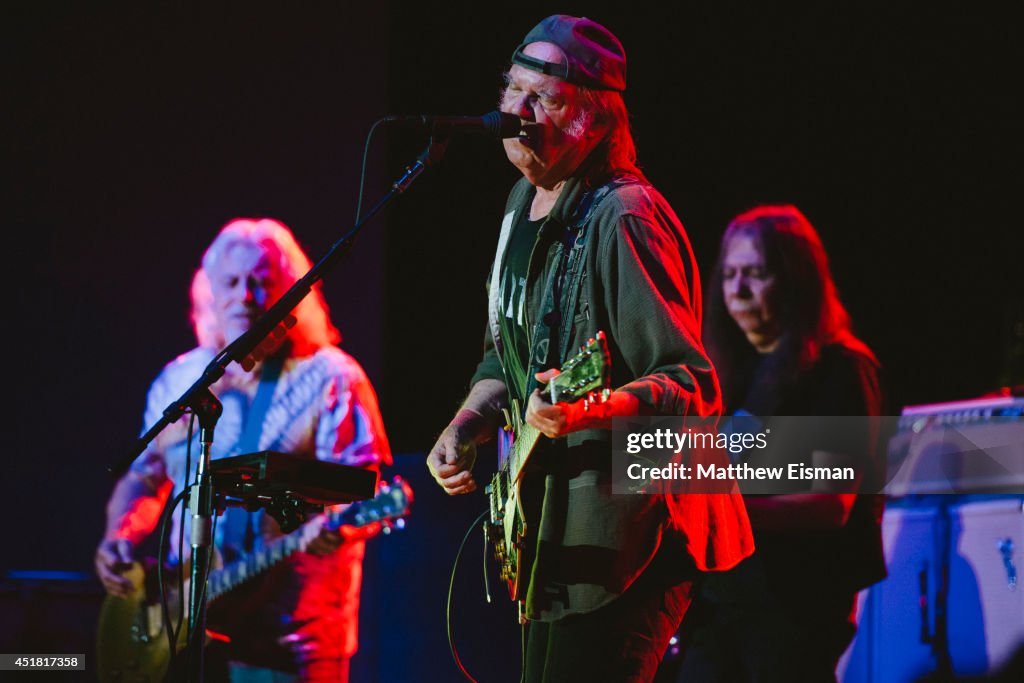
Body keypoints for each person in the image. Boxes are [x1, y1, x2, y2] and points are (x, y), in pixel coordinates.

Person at [426, 15, 753, 682]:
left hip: (634, 535)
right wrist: (465, 423)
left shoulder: (624, 216)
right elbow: (505, 359)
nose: (518, 111)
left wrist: (591, 412)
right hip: (560, 539)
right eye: (513, 90)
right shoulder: (522, 203)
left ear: (596, 118)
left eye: (544, 97)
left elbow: (693, 385)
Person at [95, 218, 391, 683]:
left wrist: (341, 529)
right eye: (231, 282)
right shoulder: (182, 380)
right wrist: (122, 537)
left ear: (291, 293)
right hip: (185, 630)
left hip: (290, 642)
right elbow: (144, 477)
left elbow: (370, 488)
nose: (246, 295)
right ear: (207, 290)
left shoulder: (334, 378)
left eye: (261, 281)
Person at [673, 205, 886, 682]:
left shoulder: (841, 368)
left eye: (756, 273)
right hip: (721, 605)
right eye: (728, 274)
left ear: (795, 280)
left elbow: (832, 505)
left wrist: (722, 509)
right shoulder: (725, 373)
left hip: (797, 607)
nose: (738, 290)